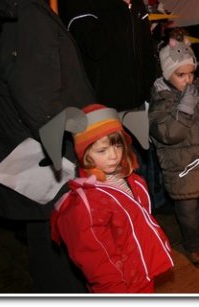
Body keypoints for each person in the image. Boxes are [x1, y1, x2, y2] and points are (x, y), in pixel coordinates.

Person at [0, 0, 95, 292]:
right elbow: (37, 95)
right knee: (58, 238)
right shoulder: (23, 9)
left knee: (46, 236)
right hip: (43, 148)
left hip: (24, 142)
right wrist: (79, 140)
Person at [51, 104, 174, 293]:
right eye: (102, 151)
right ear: (84, 155)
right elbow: (95, 259)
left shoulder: (133, 179)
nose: (114, 156)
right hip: (121, 286)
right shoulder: (87, 205)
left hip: (142, 272)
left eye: (118, 146)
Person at [61, 0, 155, 112]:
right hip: (102, 103)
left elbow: (145, 45)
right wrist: (118, 6)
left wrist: (149, 86)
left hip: (138, 99)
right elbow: (94, 46)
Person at [148, 36, 199, 268]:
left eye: (191, 73)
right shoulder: (161, 100)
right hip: (181, 167)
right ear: (167, 74)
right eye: (181, 75)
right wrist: (185, 107)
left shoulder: (198, 89)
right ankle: (194, 245)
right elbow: (170, 133)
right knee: (189, 210)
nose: (188, 79)